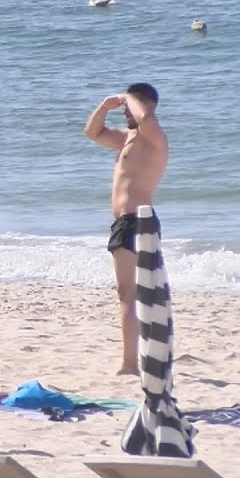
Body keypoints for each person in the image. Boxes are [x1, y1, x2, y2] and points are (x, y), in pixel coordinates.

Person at [83, 83, 168, 375]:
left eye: (134, 106)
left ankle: (130, 364)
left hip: (137, 219)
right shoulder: (127, 140)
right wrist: (106, 106)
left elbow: (145, 119)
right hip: (125, 222)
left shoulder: (153, 137)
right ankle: (136, 360)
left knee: (131, 295)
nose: (128, 113)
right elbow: (92, 133)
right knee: (131, 294)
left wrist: (129, 97)